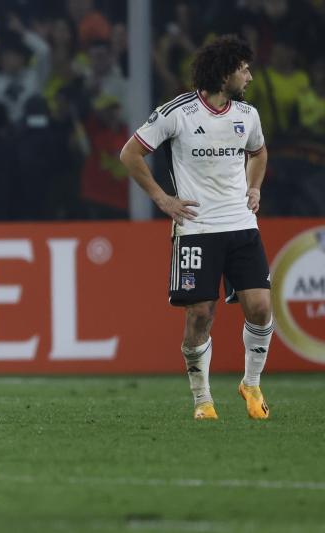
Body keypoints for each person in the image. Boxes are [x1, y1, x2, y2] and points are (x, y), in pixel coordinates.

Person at [119, 35, 273, 420]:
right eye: (244, 69)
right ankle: (203, 400)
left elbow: (259, 152)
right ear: (225, 73)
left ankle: (251, 384)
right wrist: (162, 199)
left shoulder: (246, 115)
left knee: (260, 307)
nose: (250, 77)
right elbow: (130, 153)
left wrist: (254, 186)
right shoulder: (178, 112)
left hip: (241, 225)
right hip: (197, 229)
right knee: (200, 314)